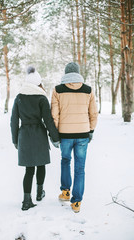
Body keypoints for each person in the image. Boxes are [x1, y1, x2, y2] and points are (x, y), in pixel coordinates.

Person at [10, 66, 60, 211]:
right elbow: (48, 120)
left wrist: (15, 139)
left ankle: (26, 200)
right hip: (39, 134)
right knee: (41, 165)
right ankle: (39, 193)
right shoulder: (41, 97)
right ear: (38, 83)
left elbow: (14, 120)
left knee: (29, 169)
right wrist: (55, 137)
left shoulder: (19, 97)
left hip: (24, 134)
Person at [51, 62, 98, 213]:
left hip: (65, 135)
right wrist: (91, 130)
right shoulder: (88, 90)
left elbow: (54, 115)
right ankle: (77, 202)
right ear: (78, 73)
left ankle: (65, 192)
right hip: (83, 134)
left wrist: (55, 135)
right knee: (80, 168)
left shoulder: (58, 90)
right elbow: (94, 113)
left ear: (66, 73)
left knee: (65, 161)